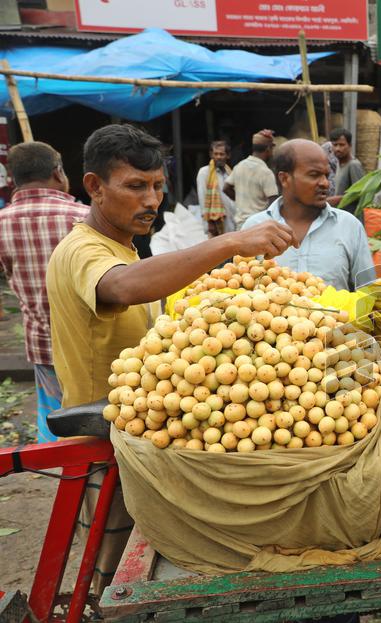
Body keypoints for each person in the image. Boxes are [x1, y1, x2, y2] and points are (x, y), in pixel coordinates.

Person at [46, 124, 295, 595]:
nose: (152, 199)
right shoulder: (83, 250)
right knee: (116, 575)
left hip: (146, 424)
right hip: (111, 434)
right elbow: (123, 286)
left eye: (158, 186)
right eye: (135, 186)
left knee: (137, 565)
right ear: (95, 187)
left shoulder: (123, 245)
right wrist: (227, 244)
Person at [0, 142, 87, 443]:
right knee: (93, 423)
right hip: (88, 343)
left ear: (13, 179)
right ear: (58, 172)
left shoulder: (2, 223)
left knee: (54, 421)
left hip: (41, 341)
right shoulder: (84, 217)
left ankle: (62, 482)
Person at [243, 139, 375, 291]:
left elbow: (368, 291)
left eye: (326, 175)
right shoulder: (254, 228)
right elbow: (240, 289)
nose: (325, 183)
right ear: (285, 179)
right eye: (314, 175)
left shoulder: (349, 226)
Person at [224, 129, 279, 230]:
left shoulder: (239, 166)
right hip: (258, 226)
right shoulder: (265, 172)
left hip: (241, 226)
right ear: (268, 149)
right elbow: (273, 202)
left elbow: (226, 188)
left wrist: (241, 200)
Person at [195, 140, 235, 236]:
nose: (218, 157)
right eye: (216, 154)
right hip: (214, 221)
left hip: (231, 218)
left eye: (222, 154)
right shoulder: (204, 172)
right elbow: (202, 197)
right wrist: (209, 222)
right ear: (211, 155)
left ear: (228, 156)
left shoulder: (230, 173)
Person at [326, 128, 366, 214]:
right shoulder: (339, 164)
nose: (338, 149)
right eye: (335, 145)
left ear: (350, 145)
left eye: (342, 145)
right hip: (340, 215)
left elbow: (360, 194)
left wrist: (336, 199)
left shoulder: (353, 165)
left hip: (353, 217)